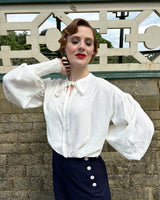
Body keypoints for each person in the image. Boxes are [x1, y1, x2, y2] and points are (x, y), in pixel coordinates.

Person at [3, 18, 154, 200]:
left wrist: (104, 133)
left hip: (87, 173)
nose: (82, 46)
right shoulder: (52, 88)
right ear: (65, 47)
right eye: (75, 41)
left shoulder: (103, 89)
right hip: (59, 169)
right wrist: (54, 65)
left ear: (93, 51)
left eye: (88, 43)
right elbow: (11, 82)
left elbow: (142, 125)